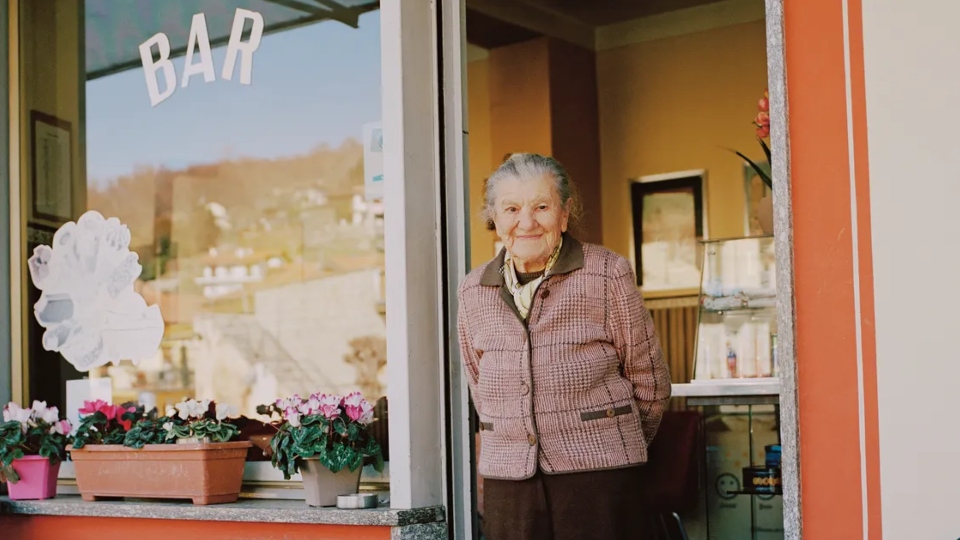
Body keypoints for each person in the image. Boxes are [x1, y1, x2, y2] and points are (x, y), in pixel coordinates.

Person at [457, 153, 672, 540]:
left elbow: (650, 381)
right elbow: (478, 382)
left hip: (599, 481)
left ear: (565, 212)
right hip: (510, 483)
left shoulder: (607, 272)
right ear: (494, 216)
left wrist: (608, 444)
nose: (526, 222)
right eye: (511, 208)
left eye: (541, 206)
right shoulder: (473, 289)